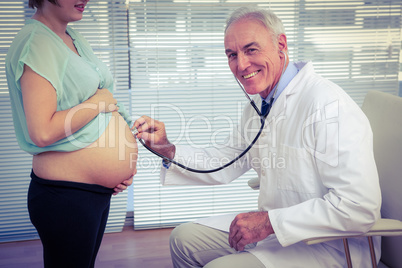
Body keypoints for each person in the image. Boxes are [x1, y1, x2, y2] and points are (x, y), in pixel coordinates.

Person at [133, 6, 382, 268]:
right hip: (276, 232)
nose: (241, 65)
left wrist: (268, 222)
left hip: (328, 245)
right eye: (232, 54)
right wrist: (167, 149)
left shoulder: (329, 105)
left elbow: (358, 207)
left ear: (281, 45)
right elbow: (225, 161)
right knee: (184, 239)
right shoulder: (260, 105)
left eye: (251, 50)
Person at [5, 0, 138, 267]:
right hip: (66, 196)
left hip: (90, 193)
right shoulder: (37, 43)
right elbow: (42, 132)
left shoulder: (69, 35)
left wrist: (124, 150)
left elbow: (103, 96)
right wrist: (99, 103)